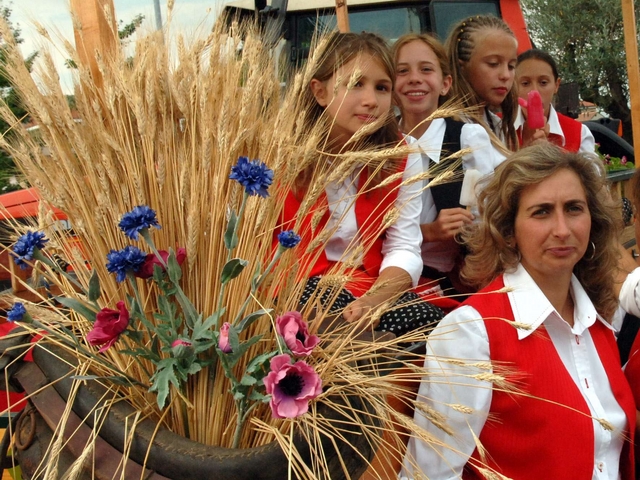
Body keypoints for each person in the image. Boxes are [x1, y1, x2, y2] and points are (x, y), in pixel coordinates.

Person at [401, 143, 636, 479]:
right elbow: (429, 474)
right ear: (508, 232)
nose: (562, 229)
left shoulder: (599, 320)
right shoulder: (472, 332)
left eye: (573, 209)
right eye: (541, 211)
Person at [277, 32, 444, 336]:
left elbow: (403, 246)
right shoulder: (280, 153)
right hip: (293, 287)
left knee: (436, 329)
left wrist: (375, 301)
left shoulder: (403, 154)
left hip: (370, 287)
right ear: (320, 91)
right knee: (329, 327)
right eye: (356, 84)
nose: (371, 100)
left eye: (382, 88)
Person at [392, 33, 506, 298]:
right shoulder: (381, 147)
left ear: (445, 84)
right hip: (390, 276)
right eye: (402, 71)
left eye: (426, 69)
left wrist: (472, 225)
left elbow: (490, 212)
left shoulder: (466, 138)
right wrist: (429, 232)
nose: (415, 78)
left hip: (450, 281)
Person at [444, 15, 519, 151]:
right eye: (493, 64)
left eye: (511, 66)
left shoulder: (496, 124)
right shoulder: (448, 128)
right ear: (461, 66)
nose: (505, 75)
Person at [515, 48, 596, 153]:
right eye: (525, 83)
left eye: (543, 82)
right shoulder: (496, 128)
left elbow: (591, 169)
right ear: (514, 86)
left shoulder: (579, 133)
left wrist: (551, 154)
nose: (535, 92)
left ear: (556, 85)